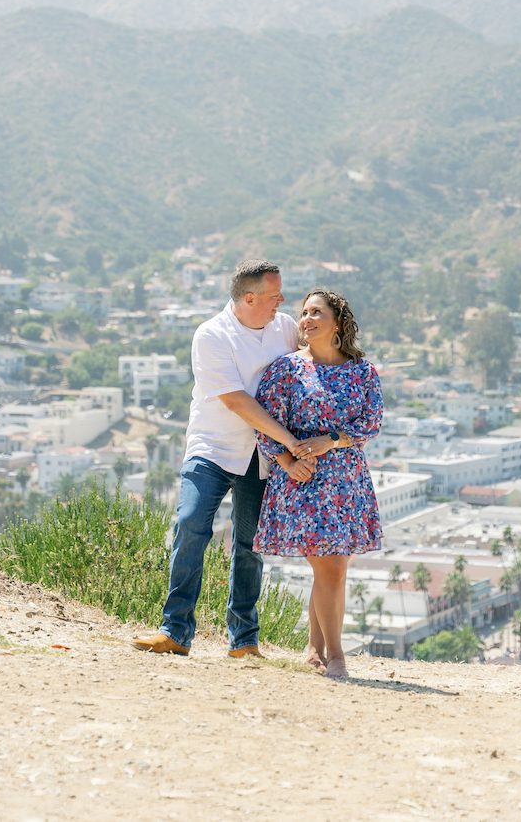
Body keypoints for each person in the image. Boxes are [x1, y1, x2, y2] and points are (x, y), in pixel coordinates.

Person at [132, 260, 316, 658]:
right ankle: (175, 630)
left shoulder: (283, 327)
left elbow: (314, 355)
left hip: (261, 455)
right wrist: (289, 442)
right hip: (213, 448)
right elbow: (236, 400)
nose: (282, 301)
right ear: (249, 298)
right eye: (274, 295)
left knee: (250, 545)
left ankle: (244, 641)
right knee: (190, 523)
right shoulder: (211, 335)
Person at [252, 288, 383, 681]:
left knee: (331, 569)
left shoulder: (363, 372)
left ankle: (315, 648)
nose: (306, 319)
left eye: (316, 313)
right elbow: (265, 423)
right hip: (305, 482)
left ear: (338, 322)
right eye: (304, 312)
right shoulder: (286, 370)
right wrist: (287, 462)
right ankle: (337, 655)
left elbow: (371, 422)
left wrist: (332, 440)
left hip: (345, 482)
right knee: (330, 569)